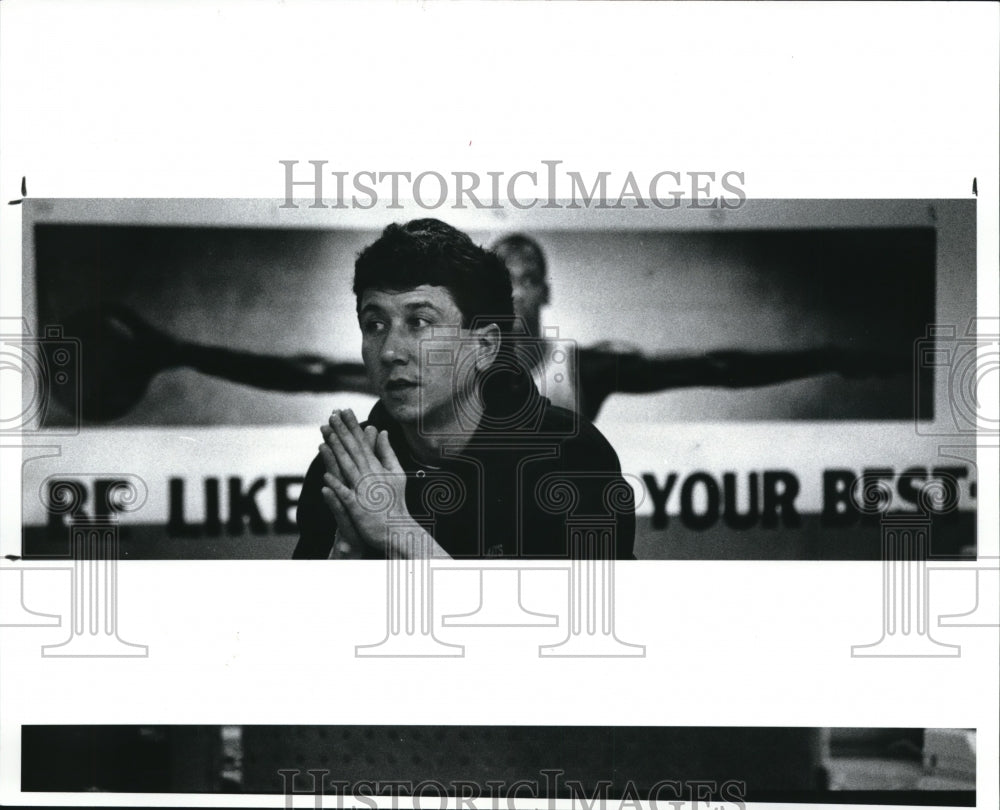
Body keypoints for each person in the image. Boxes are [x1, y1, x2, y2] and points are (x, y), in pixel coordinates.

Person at [293, 219, 635, 560]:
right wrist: (348, 549)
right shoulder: (345, 469)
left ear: (484, 346)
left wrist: (399, 533)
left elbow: (581, 613)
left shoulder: (573, 460)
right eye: (375, 325)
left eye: (419, 322)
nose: (389, 351)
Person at [493, 233, 909, 421]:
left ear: (544, 292)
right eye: (500, 280)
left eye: (525, 280)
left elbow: (716, 368)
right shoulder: (450, 374)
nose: (512, 294)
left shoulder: (584, 369)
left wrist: (827, 357)